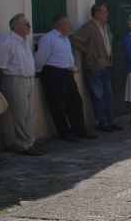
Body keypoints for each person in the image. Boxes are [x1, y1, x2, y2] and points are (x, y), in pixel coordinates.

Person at [35, 14, 96, 142]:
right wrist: (40, 71)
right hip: (54, 74)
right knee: (58, 105)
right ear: (60, 25)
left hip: (68, 73)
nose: (70, 26)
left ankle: (80, 130)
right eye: (68, 24)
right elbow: (41, 58)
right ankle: (65, 133)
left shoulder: (66, 38)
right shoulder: (49, 38)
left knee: (75, 102)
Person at [0, 14, 41, 155]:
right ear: (16, 27)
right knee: (21, 114)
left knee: (29, 113)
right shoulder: (7, 42)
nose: (29, 27)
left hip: (28, 79)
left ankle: (30, 141)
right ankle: (24, 145)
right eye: (26, 24)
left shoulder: (24, 41)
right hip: (15, 80)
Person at [71, 4, 121, 133]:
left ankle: (111, 120)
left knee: (108, 95)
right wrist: (87, 51)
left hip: (107, 65)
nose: (107, 14)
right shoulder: (89, 27)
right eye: (105, 12)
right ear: (97, 13)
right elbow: (75, 39)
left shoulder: (106, 27)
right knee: (98, 96)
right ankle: (102, 122)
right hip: (94, 67)